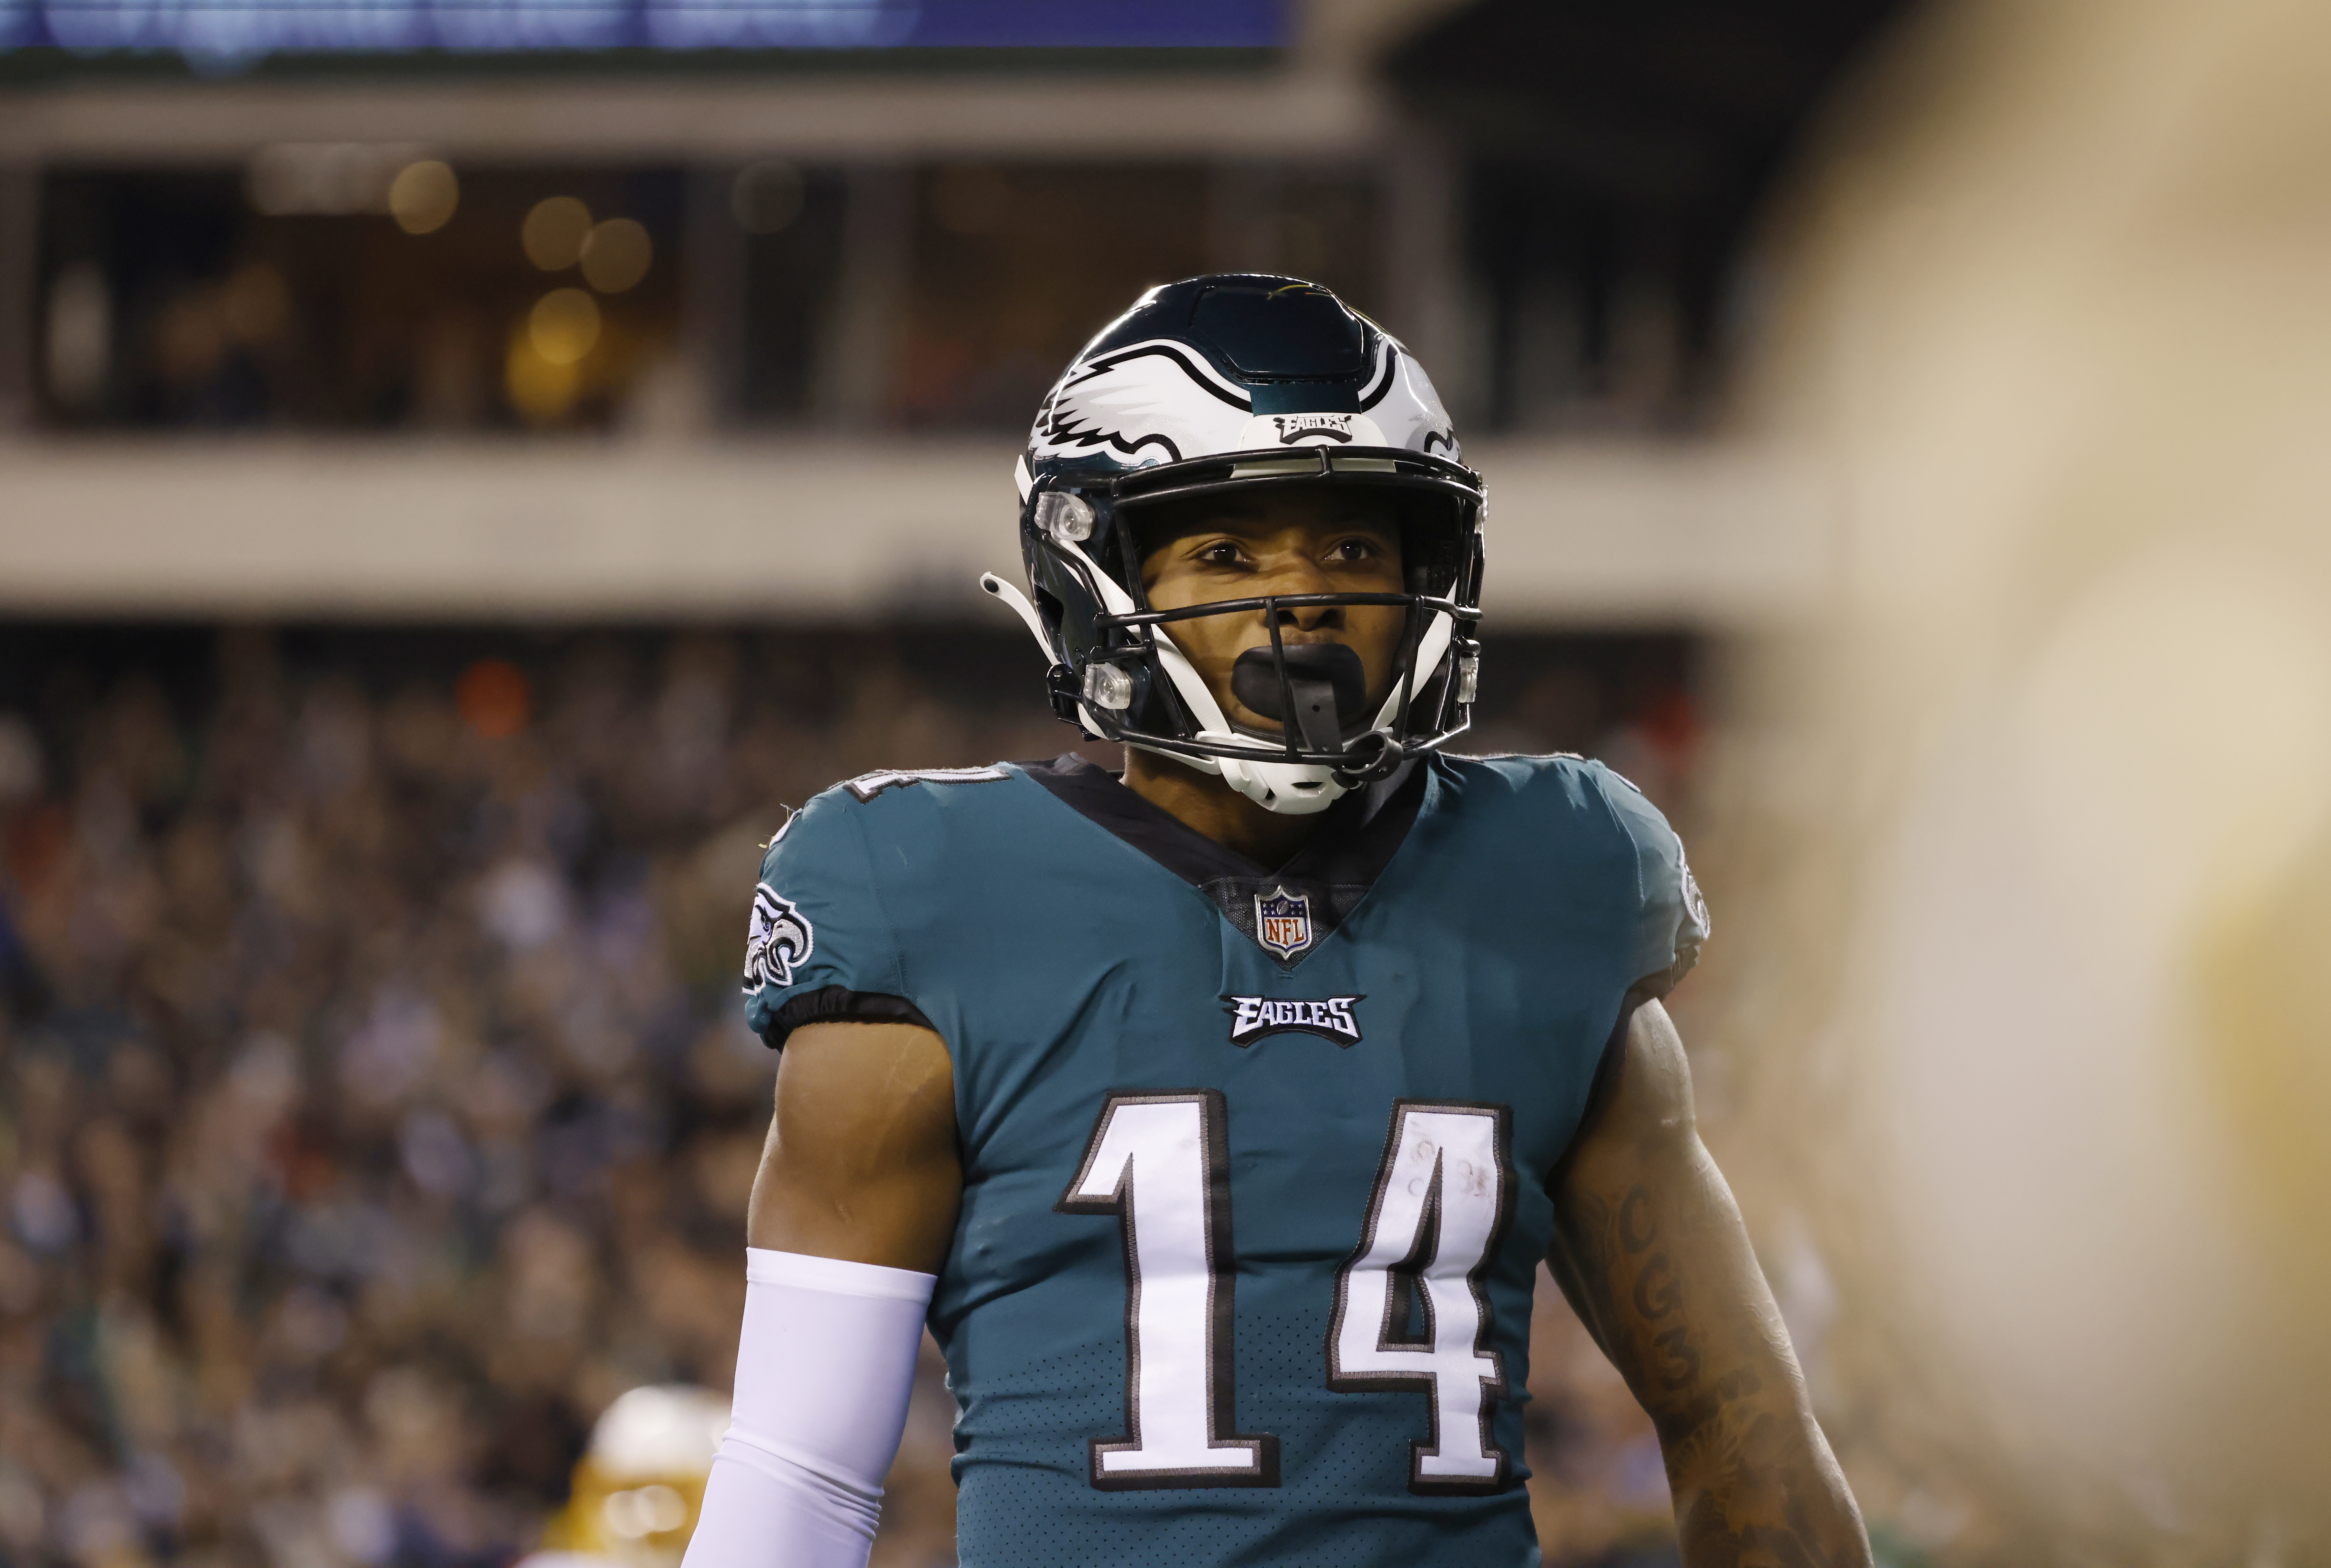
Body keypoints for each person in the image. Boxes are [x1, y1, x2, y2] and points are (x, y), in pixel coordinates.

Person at [681, 277, 1871, 1568]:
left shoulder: (1553, 878)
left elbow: (1739, 1422)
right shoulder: (929, 891)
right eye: (1228, 552)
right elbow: (804, 1475)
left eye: (1353, 549)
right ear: (1097, 576)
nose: (1301, 600)